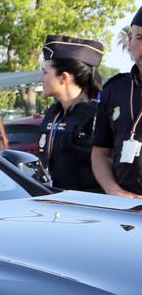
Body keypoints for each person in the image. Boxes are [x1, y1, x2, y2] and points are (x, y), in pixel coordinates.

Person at [36, 35, 103, 193]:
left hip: (90, 206)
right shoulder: (53, 113)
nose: (40, 79)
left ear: (64, 77)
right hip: (56, 201)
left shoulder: (97, 114)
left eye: (45, 72)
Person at [92, 8, 142, 199]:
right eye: (140, 39)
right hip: (124, 207)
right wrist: (114, 190)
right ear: (130, 39)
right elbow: (100, 152)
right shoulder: (114, 89)